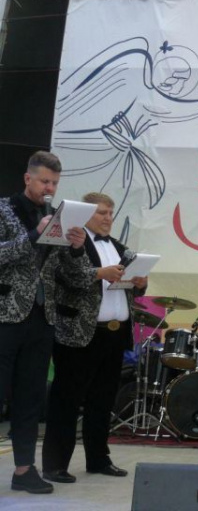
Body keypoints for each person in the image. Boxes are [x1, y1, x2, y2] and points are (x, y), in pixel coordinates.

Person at [42, 192, 148, 483]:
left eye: (111, 213)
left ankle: (98, 459)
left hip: (113, 335)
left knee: (102, 401)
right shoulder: (71, 241)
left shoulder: (118, 247)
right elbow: (69, 277)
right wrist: (99, 272)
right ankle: (54, 464)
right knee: (67, 399)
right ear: (87, 214)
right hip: (78, 335)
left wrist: (140, 282)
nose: (107, 218)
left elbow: (132, 287)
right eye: (101, 212)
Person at [0, 151, 89, 494]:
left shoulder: (57, 217)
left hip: (41, 319)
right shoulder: (4, 209)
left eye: (54, 182)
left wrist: (78, 249)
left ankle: (24, 469)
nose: (49, 188)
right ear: (28, 179)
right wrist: (32, 236)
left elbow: (77, 277)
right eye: (44, 181)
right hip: (6, 315)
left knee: (30, 397)